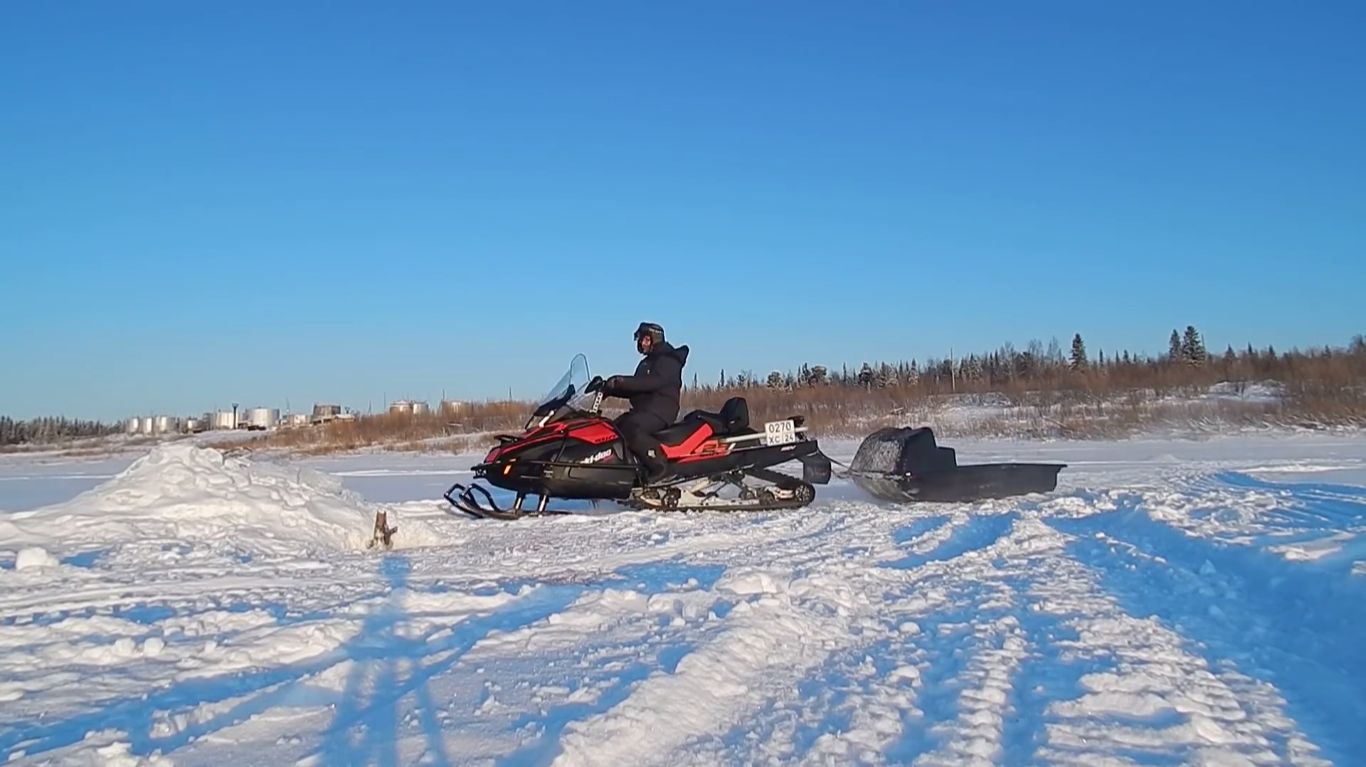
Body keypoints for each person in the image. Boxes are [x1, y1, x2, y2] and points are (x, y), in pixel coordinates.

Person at [590, 322, 689, 482]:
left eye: (646, 340)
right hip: (645, 410)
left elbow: (653, 382)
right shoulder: (647, 362)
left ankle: (659, 466)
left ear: (656, 339)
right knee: (612, 429)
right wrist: (609, 389)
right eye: (641, 340)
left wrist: (621, 381)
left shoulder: (668, 359)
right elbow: (636, 388)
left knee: (630, 429)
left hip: (660, 411)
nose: (642, 343)